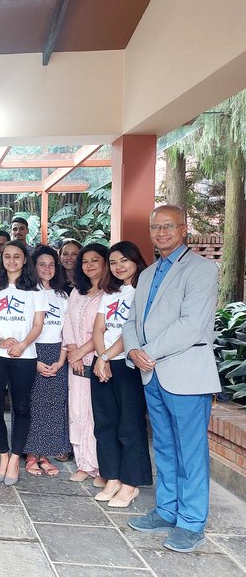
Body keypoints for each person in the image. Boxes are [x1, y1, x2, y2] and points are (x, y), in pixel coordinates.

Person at [124, 205, 220, 553]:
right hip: (152, 372)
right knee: (163, 446)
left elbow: (192, 324)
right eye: (155, 228)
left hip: (185, 372)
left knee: (190, 451)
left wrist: (148, 351)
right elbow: (131, 320)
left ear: (184, 229)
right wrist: (134, 351)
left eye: (168, 227)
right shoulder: (148, 274)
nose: (161, 233)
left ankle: (191, 522)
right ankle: (167, 510)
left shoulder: (201, 270)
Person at [0, 240, 47, 486]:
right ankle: (3, 456)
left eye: (17, 256)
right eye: (7, 256)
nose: (12, 261)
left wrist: (22, 344)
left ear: (24, 259)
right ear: (2, 260)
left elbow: (38, 325)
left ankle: (16, 459)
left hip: (25, 357)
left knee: (21, 408)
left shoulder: (36, 291)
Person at [91, 241, 152, 507]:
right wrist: (101, 357)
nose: (118, 266)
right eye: (113, 262)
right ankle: (112, 477)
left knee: (130, 424)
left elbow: (133, 330)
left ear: (136, 261)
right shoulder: (109, 293)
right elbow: (98, 328)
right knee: (105, 424)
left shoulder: (142, 292)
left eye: (123, 261)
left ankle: (130, 483)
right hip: (102, 363)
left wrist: (106, 356)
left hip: (127, 364)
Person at [24, 246, 71, 477]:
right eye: (42, 264)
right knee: (32, 405)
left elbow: (68, 330)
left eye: (51, 264)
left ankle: (45, 454)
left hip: (57, 353)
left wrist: (62, 360)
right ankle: (31, 454)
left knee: (52, 406)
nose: (47, 268)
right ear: (33, 266)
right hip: (31, 353)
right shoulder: (27, 292)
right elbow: (23, 329)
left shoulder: (62, 295)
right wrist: (34, 361)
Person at [63, 243, 108, 483]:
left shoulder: (109, 294)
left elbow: (105, 330)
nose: (89, 265)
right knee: (77, 410)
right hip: (75, 361)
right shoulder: (76, 292)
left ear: (105, 263)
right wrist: (72, 351)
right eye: (85, 261)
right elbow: (68, 323)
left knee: (95, 413)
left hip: (98, 360)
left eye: (95, 260)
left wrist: (80, 352)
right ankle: (83, 463)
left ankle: (101, 467)